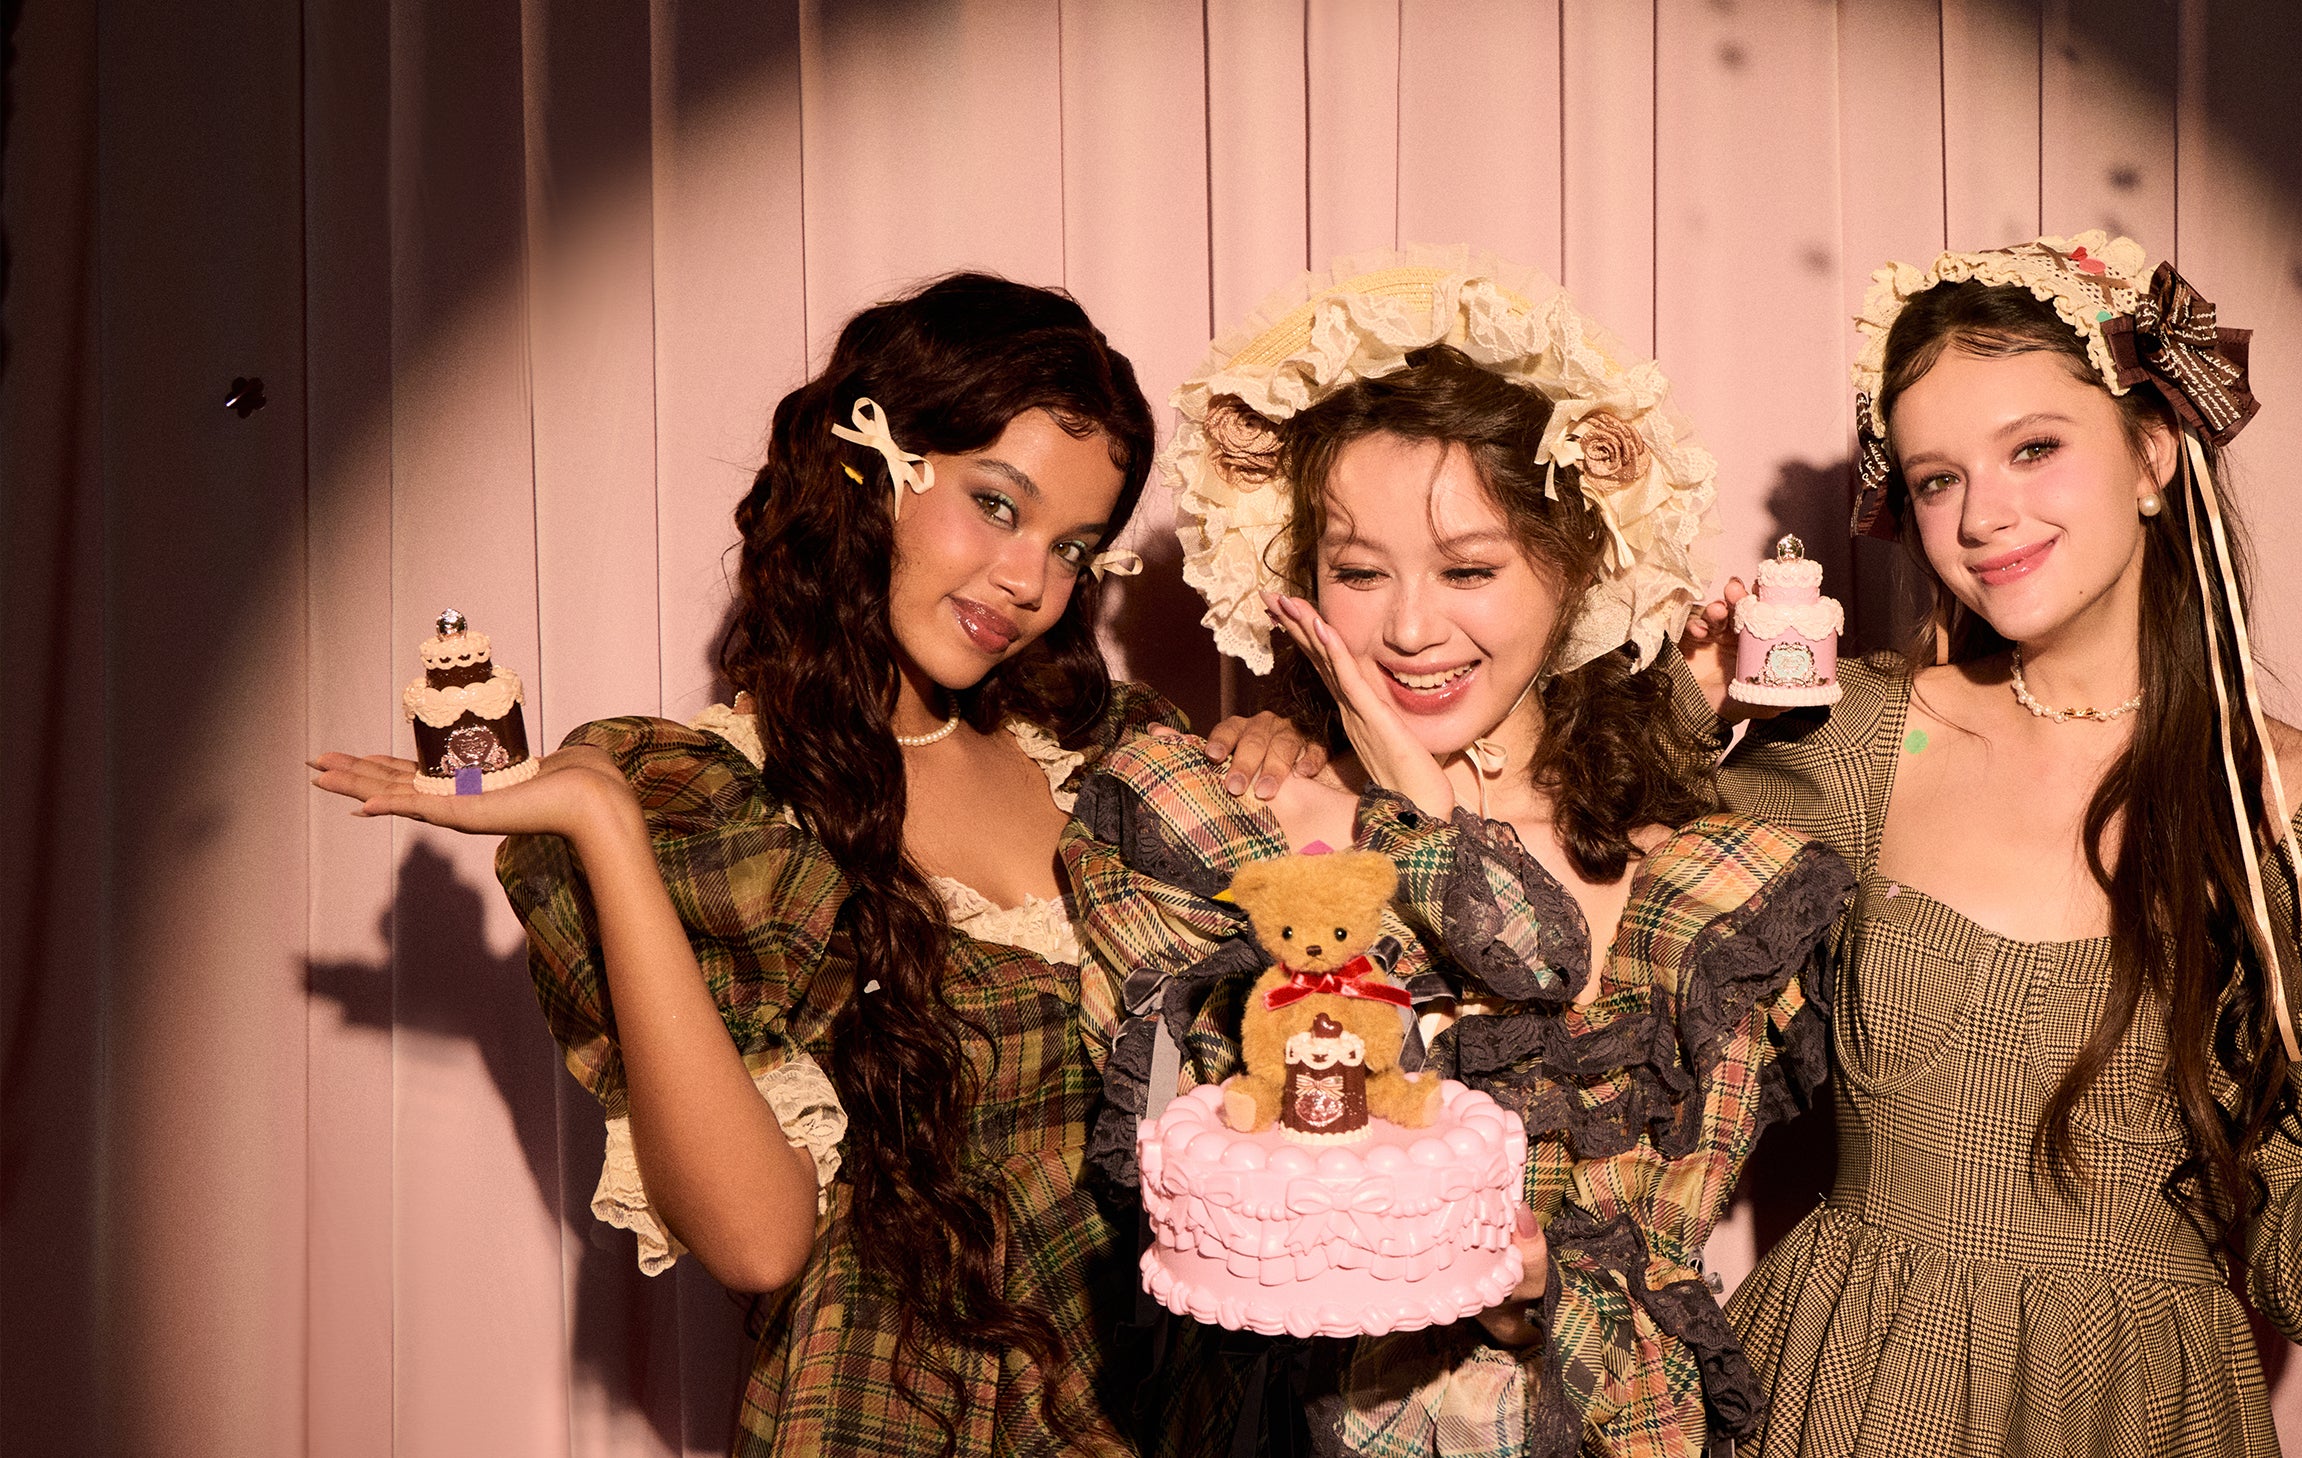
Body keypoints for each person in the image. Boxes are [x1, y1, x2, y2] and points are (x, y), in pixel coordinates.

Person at [1674, 235, 2302, 1457]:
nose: (1983, 515)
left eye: (2034, 448)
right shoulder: (1860, 737)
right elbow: (1596, 969)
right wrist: (1681, 708)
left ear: (2152, 454)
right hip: (1849, 1397)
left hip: (2140, 1415)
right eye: (1936, 478)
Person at [311, 274, 1171, 1456]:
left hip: (1153, 1405)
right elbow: (759, 1245)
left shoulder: (1108, 763)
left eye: (1073, 548)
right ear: (874, 465)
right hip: (887, 1422)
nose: (1031, 582)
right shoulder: (722, 805)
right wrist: (608, 832)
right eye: (996, 504)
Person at [1063, 248, 1851, 1456]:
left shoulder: (1697, 883)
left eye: (1470, 569)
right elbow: (1173, 1197)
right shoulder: (1219, 827)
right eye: (1358, 572)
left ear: (1576, 569)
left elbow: (1654, 1278)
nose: (1410, 628)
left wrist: (1538, 1300)